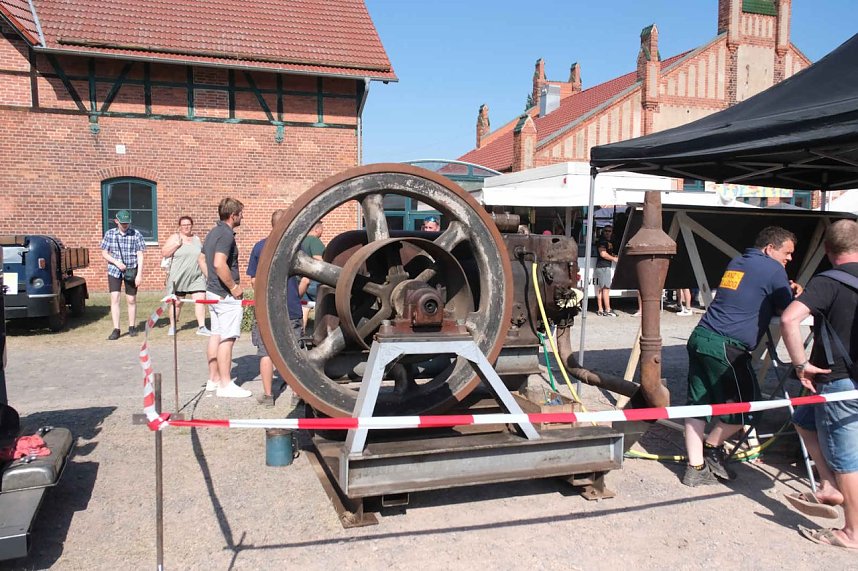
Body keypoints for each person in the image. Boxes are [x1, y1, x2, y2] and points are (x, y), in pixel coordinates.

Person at [683, 226, 802, 486]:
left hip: (701, 336)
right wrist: (797, 292)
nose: (790, 258)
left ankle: (695, 467)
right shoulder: (773, 269)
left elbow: (752, 293)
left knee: (698, 404)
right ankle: (711, 448)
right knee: (749, 406)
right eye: (787, 252)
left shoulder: (739, 261)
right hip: (727, 346)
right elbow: (787, 308)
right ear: (770, 249)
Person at [781, 220, 858, 549]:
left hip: (839, 381)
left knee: (846, 460)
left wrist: (800, 365)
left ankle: (852, 532)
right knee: (803, 421)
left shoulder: (828, 282)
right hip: (842, 381)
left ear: (827, 251)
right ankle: (828, 487)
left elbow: (788, 319)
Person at [247, 210, 304, 407]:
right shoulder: (296, 246)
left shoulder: (259, 247)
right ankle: (297, 394)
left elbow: (254, 280)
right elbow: (306, 276)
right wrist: (297, 293)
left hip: (267, 309)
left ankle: (268, 395)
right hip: (291, 307)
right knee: (294, 352)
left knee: (266, 352)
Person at [199, 197, 250, 398]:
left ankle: (214, 380)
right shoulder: (226, 234)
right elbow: (220, 263)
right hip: (225, 295)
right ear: (233, 215)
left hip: (213, 291)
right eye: (240, 213)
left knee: (216, 335)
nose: (242, 217)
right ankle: (226, 385)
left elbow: (202, 259)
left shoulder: (213, 232)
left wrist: (210, 279)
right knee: (227, 338)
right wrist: (233, 287)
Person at [161, 216, 210, 336]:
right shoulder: (175, 238)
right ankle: (173, 326)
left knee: (200, 300)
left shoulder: (197, 239)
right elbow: (164, 253)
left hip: (196, 276)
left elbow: (202, 257)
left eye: (188, 224)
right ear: (180, 227)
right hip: (178, 276)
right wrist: (176, 245)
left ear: (192, 225)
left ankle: (202, 326)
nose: (186, 227)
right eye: (183, 225)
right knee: (177, 303)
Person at [100, 209, 145, 340]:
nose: (125, 225)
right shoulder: (109, 234)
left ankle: (132, 327)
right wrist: (116, 262)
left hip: (131, 270)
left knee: (131, 299)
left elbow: (140, 254)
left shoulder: (136, 234)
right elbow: (104, 252)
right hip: (114, 270)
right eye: (122, 223)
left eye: (127, 223)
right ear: (116, 221)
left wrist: (139, 274)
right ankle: (116, 329)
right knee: (115, 298)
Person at [300, 221, 325, 332]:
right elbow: (318, 258)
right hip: (314, 281)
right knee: (325, 305)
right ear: (317, 229)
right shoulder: (315, 241)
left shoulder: (302, 241)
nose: (323, 231)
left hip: (302, 281)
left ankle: (301, 332)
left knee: (305, 308)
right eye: (322, 229)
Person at [594, 225, 618, 317]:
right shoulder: (602, 241)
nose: (608, 232)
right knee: (605, 288)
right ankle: (607, 309)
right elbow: (603, 254)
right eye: (606, 231)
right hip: (603, 266)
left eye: (610, 231)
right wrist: (614, 259)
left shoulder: (609, 242)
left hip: (604, 266)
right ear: (603, 232)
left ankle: (601, 309)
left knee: (601, 288)